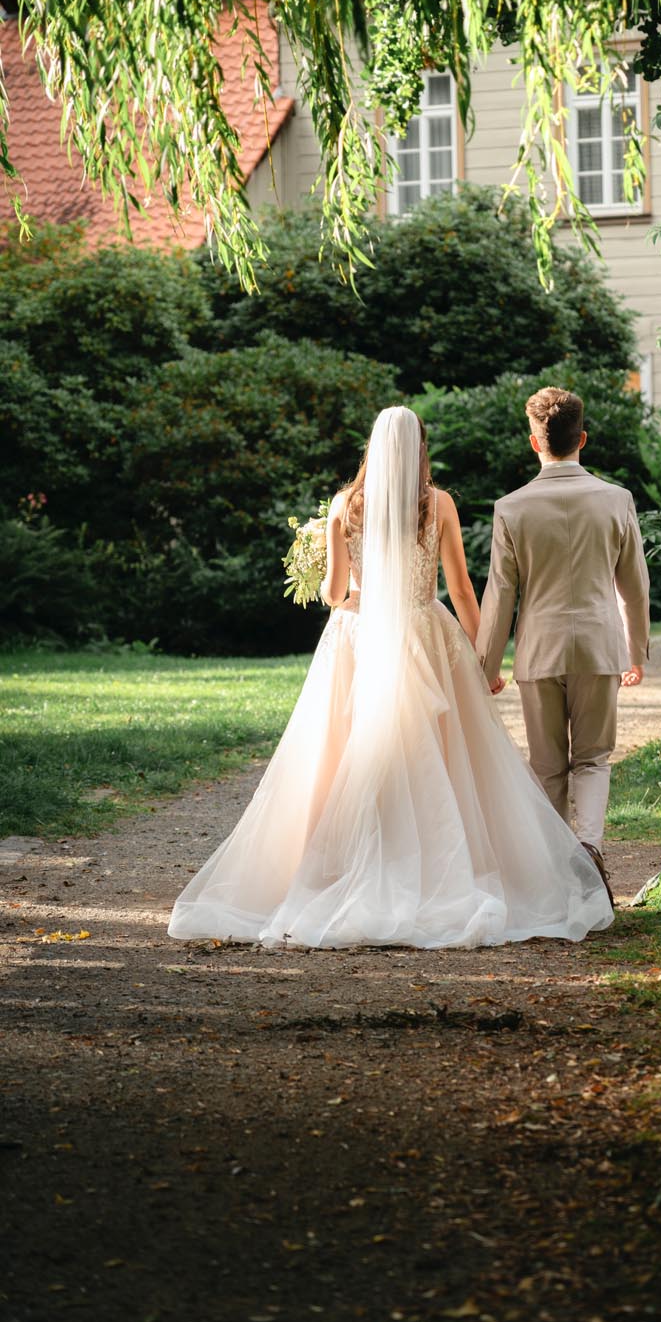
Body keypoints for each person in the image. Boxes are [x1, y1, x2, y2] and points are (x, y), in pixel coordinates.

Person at [168, 406, 612, 950]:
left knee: (351, 752)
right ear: (420, 449)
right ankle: (441, 863)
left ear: (373, 449)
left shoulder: (344, 507)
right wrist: (483, 656)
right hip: (426, 634)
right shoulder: (438, 505)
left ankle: (348, 865)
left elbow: (333, 595)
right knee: (444, 758)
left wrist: (332, 563)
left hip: (361, 637)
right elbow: (462, 589)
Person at [476, 387, 650, 900]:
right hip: (599, 646)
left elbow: (500, 593)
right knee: (594, 758)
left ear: (535, 442)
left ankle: (555, 874)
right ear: (584, 439)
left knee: (547, 765)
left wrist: (487, 664)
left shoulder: (511, 508)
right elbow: (634, 585)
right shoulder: (617, 500)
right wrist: (636, 651)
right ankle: (589, 847)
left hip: (540, 649)